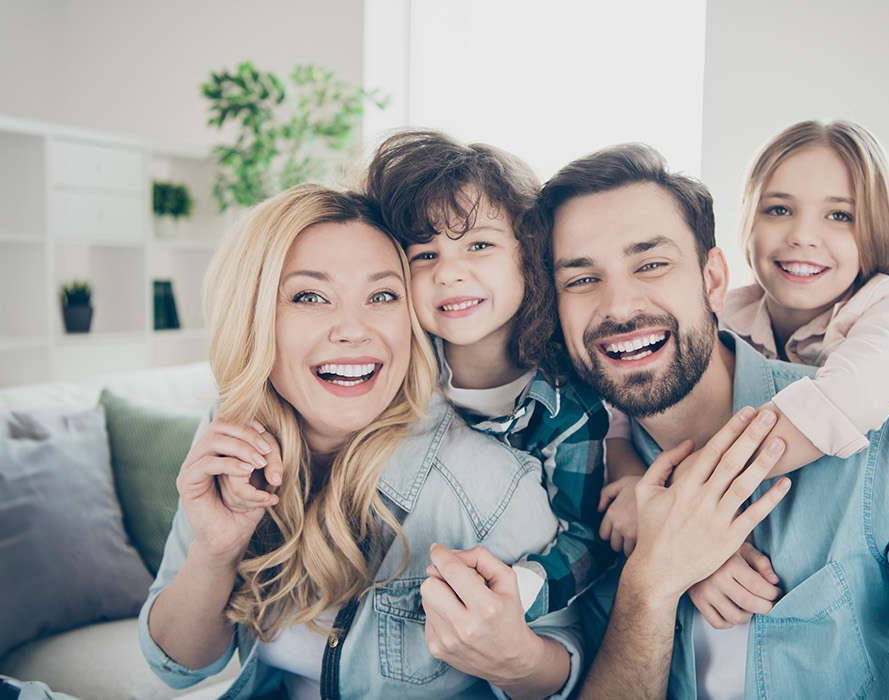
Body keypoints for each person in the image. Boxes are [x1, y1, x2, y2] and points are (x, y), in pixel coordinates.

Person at [531, 144, 889, 699]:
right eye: (581, 279)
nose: (619, 306)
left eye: (651, 264)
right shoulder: (571, 480)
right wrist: (652, 581)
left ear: (711, 281)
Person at [137, 184, 583, 700]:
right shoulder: (231, 438)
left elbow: (571, 670)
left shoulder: (489, 482)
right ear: (254, 315)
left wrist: (516, 661)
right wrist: (215, 553)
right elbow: (177, 667)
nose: (353, 329)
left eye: (382, 296)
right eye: (310, 296)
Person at [594, 120, 889, 631]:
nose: (803, 235)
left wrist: (680, 507)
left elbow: (846, 400)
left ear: (877, 230)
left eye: (840, 215)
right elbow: (622, 403)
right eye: (778, 209)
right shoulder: (729, 315)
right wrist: (632, 486)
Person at [359, 129, 615, 623]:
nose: (449, 272)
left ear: (528, 255)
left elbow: (586, 538)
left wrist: (517, 590)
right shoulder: (388, 373)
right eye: (424, 255)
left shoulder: (568, 409)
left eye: (478, 245)